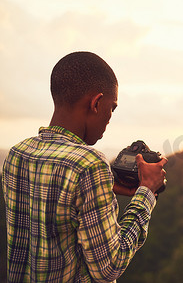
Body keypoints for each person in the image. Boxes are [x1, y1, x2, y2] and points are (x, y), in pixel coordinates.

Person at [1, 51, 167, 282]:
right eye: (112, 108)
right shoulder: (89, 164)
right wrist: (147, 193)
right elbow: (109, 267)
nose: (110, 118)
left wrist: (102, 189)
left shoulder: (18, 154)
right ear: (96, 103)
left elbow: (52, 218)